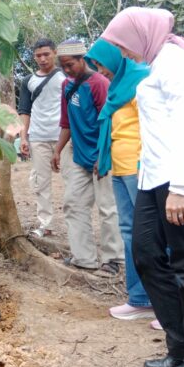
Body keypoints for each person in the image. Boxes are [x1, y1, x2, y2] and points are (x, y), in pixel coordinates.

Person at [102, 7, 184, 367]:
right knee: (145, 254)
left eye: (124, 44)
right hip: (151, 177)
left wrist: (180, 187)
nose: (124, 53)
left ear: (140, 34)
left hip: (180, 179)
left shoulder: (175, 60)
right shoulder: (157, 60)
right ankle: (177, 349)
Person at [85, 39, 156, 322]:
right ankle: (139, 298)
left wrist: (145, 165)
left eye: (102, 65)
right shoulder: (117, 87)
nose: (101, 71)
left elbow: (153, 126)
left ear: (116, 58)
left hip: (142, 170)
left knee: (154, 236)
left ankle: (168, 304)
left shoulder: (143, 81)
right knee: (129, 232)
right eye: (97, 67)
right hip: (119, 167)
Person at [51, 40, 124, 277]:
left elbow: (111, 121)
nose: (68, 70)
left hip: (102, 157)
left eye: (70, 64)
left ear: (83, 59)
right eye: (63, 66)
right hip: (80, 156)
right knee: (73, 203)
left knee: (107, 207)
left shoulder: (99, 83)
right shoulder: (66, 85)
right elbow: (66, 122)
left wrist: (103, 155)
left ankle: (114, 259)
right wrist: (57, 150)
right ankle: (84, 258)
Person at [18, 38, 68, 237]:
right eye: (38, 55)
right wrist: (23, 138)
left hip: (63, 136)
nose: (43, 58)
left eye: (46, 54)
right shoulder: (28, 81)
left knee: (72, 179)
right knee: (41, 182)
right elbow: (24, 111)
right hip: (38, 137)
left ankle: (76, 223)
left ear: (54, 53)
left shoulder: (66, 77)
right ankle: (45, 224)